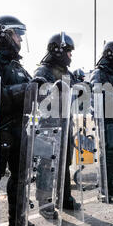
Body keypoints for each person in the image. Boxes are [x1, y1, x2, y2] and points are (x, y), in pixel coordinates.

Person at [0, 16, 41, 226]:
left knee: (20, 178)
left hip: (20, 128)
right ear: (3, 34)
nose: (20, 39)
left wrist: (39, 88)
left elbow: (28, 89)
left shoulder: (16, 65)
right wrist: (25, 89)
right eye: (17, 34)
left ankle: (18, 223)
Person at [33, 32, 81, 214]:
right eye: (69, 52)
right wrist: (53, 91)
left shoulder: (67, 73)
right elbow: (38, 97)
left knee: (64, 163)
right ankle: (45, 204)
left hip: (65, 124)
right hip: (49, 126)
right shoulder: (43, 71)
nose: (71, 56)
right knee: (46, 165)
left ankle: (64, 198)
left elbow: (79, 92)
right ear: (59, 51)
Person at [90, 41, 113, 201]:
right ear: (112, 55)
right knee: (109, 152)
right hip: (106, 119)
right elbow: (98, 93)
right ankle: (104, 188)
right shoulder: (99, 73)